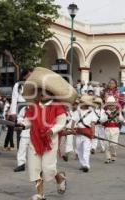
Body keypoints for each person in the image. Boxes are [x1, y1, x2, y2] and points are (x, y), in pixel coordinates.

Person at [18, 67, 77, 200]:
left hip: (51, 141)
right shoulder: (33, 106)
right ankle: (40, 194)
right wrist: (22, 125)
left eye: (45, 90)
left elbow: (61, 122)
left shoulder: (57, 106)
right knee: (34, 167)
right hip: (35, 139)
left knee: (48, 168)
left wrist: (52, 130)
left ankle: (59, 177)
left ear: (51, 92)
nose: (42, 93)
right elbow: (28, 120)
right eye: (40, 90)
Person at [71, 95, 96, 172]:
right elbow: (73, 122)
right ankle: (82, 164)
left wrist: (93, 133)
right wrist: (72, 130)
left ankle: (86, 165)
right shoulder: (77, 112)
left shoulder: (91, 113)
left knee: (86, 149)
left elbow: (92, 124)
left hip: (87, 133)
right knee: (79, 150)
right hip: (79, 133)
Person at [103, 96, 124, 163]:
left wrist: (118, 114)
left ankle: (113, 154)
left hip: (115, 129)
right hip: (107, 129)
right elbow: (101, 120)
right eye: (109, 105)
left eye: (112, 105)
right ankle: (108, 157)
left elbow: (121, 120)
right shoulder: (105, 112)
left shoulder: (117, 112)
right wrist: (108, 116)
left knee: (113, 144)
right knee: (106, 144)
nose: (111, 106)